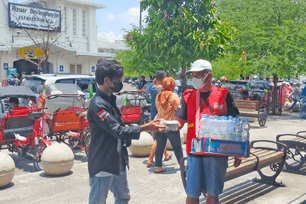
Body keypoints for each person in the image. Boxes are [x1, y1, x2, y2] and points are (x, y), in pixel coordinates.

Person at [87, 60, 166, 204]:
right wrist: (145, 127)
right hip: (103, 163)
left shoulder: (110, 99)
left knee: (123, 197)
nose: (120, 83)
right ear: (106, 81)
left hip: (117, 160)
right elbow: (117, 130)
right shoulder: (98, 104)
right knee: (98, 201)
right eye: (117, 80)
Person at [174, 59, 242, 204]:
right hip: (194, 151)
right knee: (192, 193)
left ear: (209, 76)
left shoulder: (223, 95)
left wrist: (238, 151)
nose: (195, 78)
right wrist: (162, 126)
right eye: (193, 75)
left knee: (213, 193)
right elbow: (179, 123)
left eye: (198, 75)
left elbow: (236, 124)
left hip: (216, 152)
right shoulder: (188, 96)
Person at [154, 76, 183, 173]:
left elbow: (158, 108)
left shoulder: (158, 95)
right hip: (171, 125)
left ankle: (158, 167)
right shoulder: (173, 96)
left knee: (159, 146)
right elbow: (178, 110)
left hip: (159, 124)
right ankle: (182, 165)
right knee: (177, 147)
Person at [147, 71, 171, 168]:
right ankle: (150, 159)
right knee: (158, 139)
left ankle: (166, 154)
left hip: (153, 115)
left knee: (160, 137)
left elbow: (153, 83)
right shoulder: (163, 90)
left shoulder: (151, 88)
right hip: (161, 116)